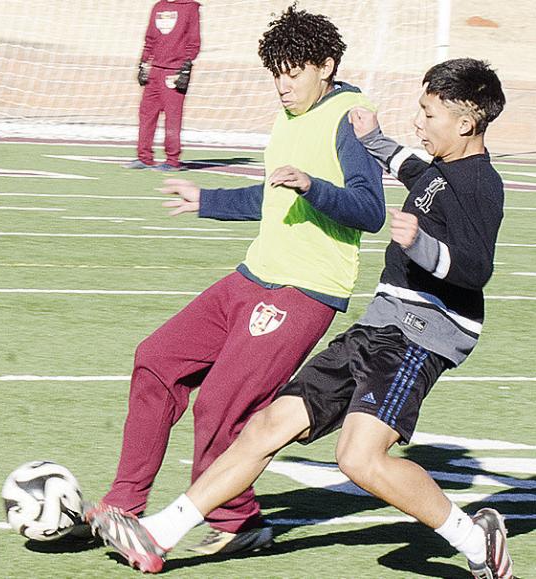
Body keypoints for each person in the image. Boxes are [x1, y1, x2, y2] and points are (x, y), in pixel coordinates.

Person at [85, 58, 514, 579]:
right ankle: (159, 535)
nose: (418, 121)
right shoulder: (441, 172)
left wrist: (419, 244)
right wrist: (375, 140)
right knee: (266, 425)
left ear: (465, 122)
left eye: (427, 112)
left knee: (359, 459)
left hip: (419, 336)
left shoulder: (481, 184)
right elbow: (410, 169)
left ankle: (476, 539)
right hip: (379, 326)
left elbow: (475, 269)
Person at [85, 4, 385, 564]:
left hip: (303, 291)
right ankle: (124, 505)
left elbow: (370, 210)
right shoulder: (289, 116)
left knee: (221, 403)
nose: (282, 84)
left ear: (326, 65)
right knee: (156, 358)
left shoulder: (351, 116)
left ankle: (236, 520)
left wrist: (314, 185)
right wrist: (207, 201)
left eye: (293, 72)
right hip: (252, 276)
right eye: (276, 72)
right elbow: (272, 198)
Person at [126, 0, 201, 172]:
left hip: (174, 71)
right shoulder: (158, 7)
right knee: (146, 113)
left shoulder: (190, 8)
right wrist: (144, 62)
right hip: (155, 71)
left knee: (172, 117)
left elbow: (194, 40)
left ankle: (172, 160)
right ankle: (144, 157)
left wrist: (185, 67)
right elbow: (150, 39)